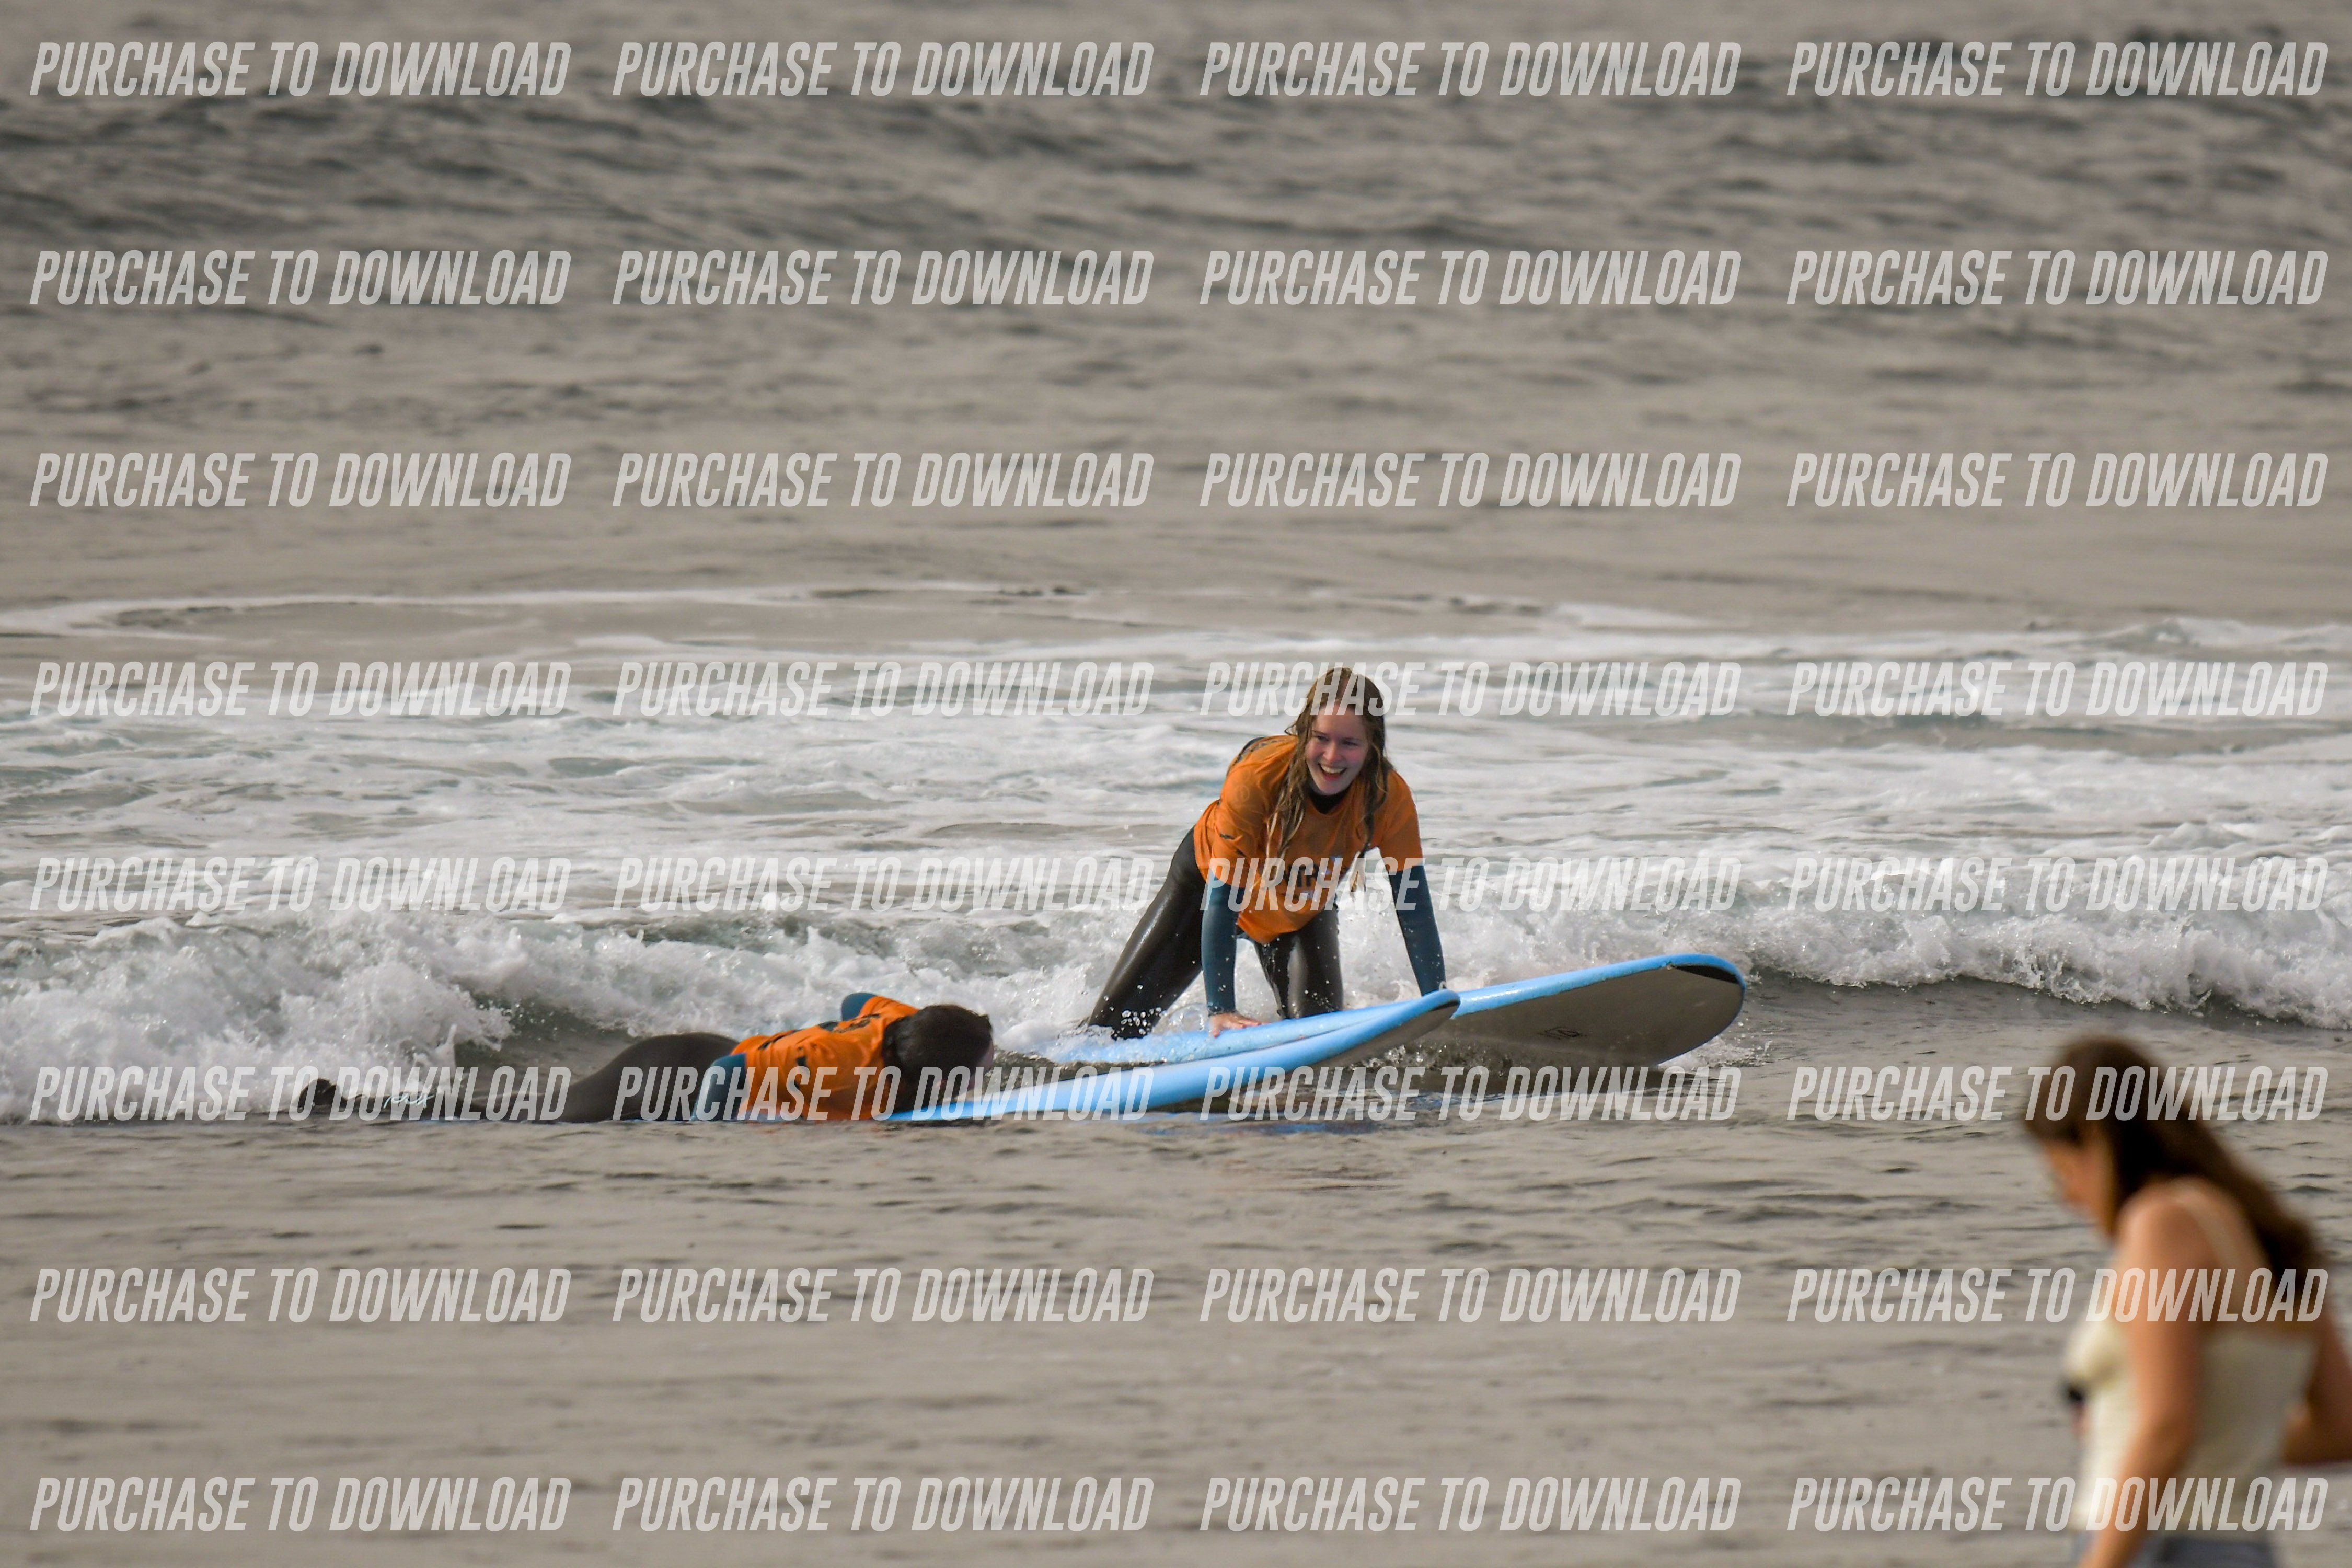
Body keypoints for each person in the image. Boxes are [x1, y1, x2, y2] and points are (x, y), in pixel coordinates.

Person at [2025, 1035, 2352, 1567]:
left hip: (2162, 1546)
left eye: (2063, 1172)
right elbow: (2342, 1430)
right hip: (2242, 1550)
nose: (2068, 1197)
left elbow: (2169, 1427)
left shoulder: (2163, 1222)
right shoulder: (2271, 1236)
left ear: (2098, 1140)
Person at [1087, 665, 1445, 1040]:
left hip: (1297, 911)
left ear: (1372, 746)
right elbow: (1223, 900)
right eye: (1321, 738)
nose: (1332, 756)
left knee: (1319, 1034)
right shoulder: (1258, 776)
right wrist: (1222, 1010)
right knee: (1110, 1033)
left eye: (1350, 744)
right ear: (1303, 731)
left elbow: (1414, 906)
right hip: (1205, 894)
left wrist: (1436, 998)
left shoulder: (1388, 798)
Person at [303, 994, 992, 1122]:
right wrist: (706, 1129)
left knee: (514, 1108)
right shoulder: (833, 1064)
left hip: (706, 1056)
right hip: (674, 1074)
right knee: (507, 1115)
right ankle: (354, 1104)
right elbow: (726, 1079)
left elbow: (856, 999)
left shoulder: (901, 1022)